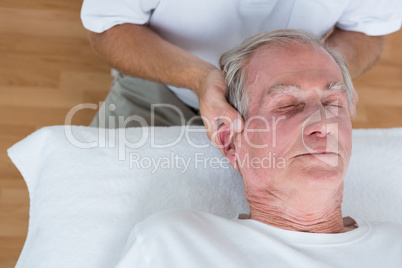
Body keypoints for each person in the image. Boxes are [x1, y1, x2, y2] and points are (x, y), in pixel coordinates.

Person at [112, 30, 402, 267]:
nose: (324, 123)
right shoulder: (175, 243)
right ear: (230, 142)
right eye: (288, 105)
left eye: (334, 102)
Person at [80, 0, 401, 146]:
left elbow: (367, 30)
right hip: (165, 84)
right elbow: (109, 28)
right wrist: (199, 78)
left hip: (286, 119)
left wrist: (327, 80)